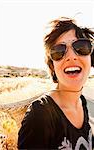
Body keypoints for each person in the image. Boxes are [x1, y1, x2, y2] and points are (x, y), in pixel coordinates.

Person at [18, 17, 94, 149]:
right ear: (52, 66)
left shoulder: (82, 103)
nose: (71, 56)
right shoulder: (40, 115)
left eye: (81, 47)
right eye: (59, 51)